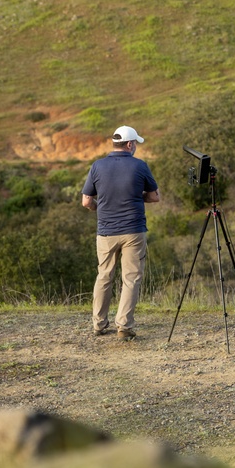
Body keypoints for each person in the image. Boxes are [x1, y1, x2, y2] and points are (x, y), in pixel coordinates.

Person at [81, 125, 160, 340]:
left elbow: (86, 201)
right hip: (133, 230)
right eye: (135, 144)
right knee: (131, 278)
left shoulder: (97, 166)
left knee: (104, 275)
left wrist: (101, 206)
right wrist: (136, 197)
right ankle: (124, 326)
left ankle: (98, 324)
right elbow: (154, 197)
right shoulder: (140, 166)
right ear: (129, 144)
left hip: (106, 231)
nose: (135, 147)